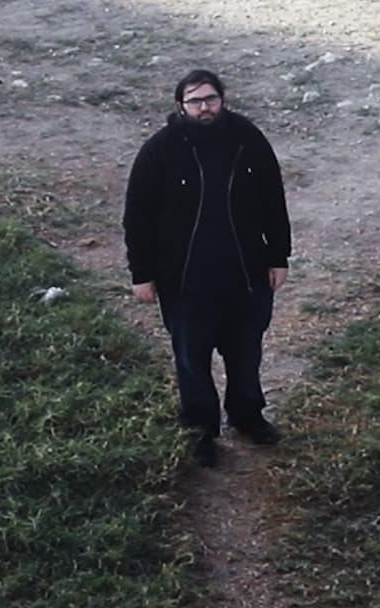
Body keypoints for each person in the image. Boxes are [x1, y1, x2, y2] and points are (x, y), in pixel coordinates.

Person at [123, 69, 291, 467]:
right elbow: (137, 218)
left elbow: (273, 198)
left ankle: (248, 415)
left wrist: (278, 256)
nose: (204, 108)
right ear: (180, 105)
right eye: (195, 101)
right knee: (191, 359)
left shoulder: (247, 139)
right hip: (184, 279)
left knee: (246, 352)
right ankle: (199, 429)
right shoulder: (159, 150)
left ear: (222, 100)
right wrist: (141, 274)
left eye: (211, 99)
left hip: (245, 273)